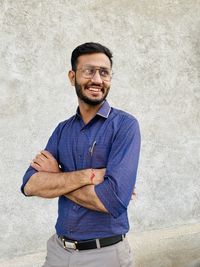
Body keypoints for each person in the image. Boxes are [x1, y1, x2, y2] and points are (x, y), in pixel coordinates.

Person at [21, 42, 141, 267]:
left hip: (105, 255)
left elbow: (112, 201)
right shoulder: (62, 130)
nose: (97, 79)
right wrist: (91, 176)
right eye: (89, 71)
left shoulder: (125, 126)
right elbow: (29, 185)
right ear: (72, 76)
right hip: (58, 251)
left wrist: (57, 177)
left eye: (104, 73)